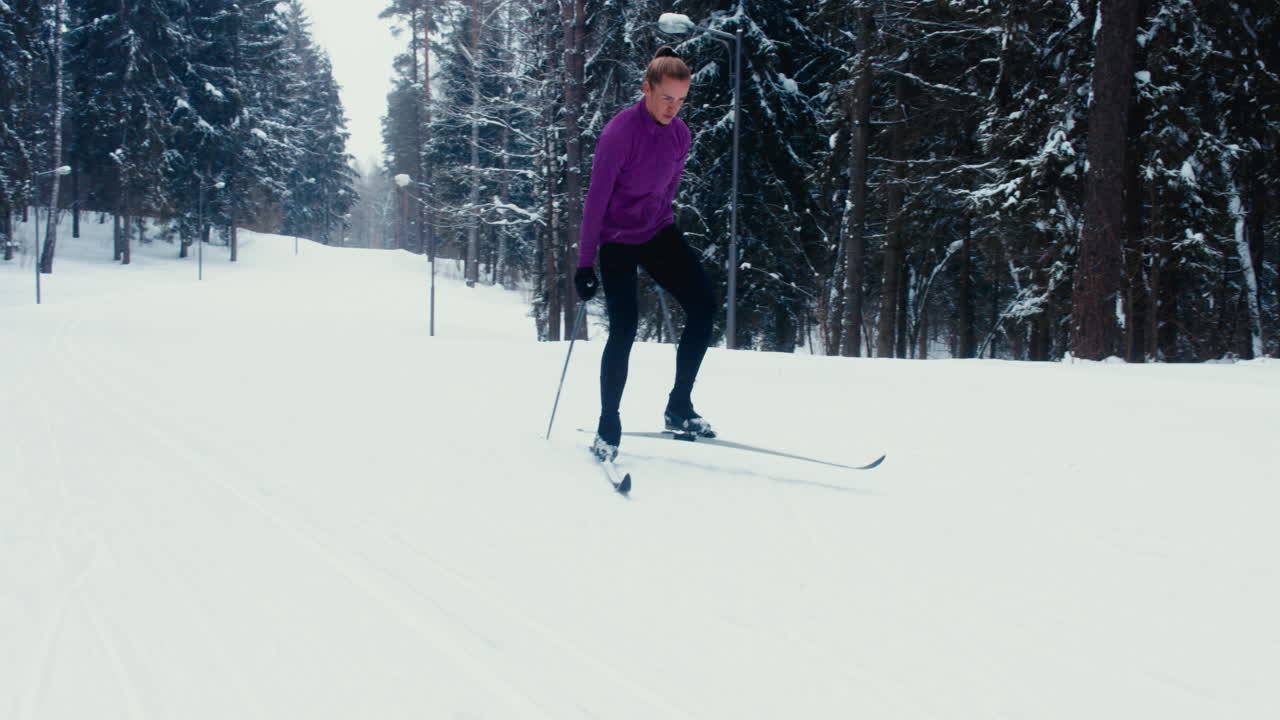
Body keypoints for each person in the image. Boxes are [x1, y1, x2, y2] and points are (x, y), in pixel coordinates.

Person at [574, 46, 717, 463]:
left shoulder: (680, 134)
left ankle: (679, 407)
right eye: (666, 97)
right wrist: (585, 262)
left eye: (681, 100)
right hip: (617, 237)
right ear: (647, 90)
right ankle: (608, 424)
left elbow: (667, 188)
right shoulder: (620, 133)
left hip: (655, 230)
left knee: (703, 306)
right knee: (625, 328)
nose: (673, 107)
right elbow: (596, 201)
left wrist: (659, 222)